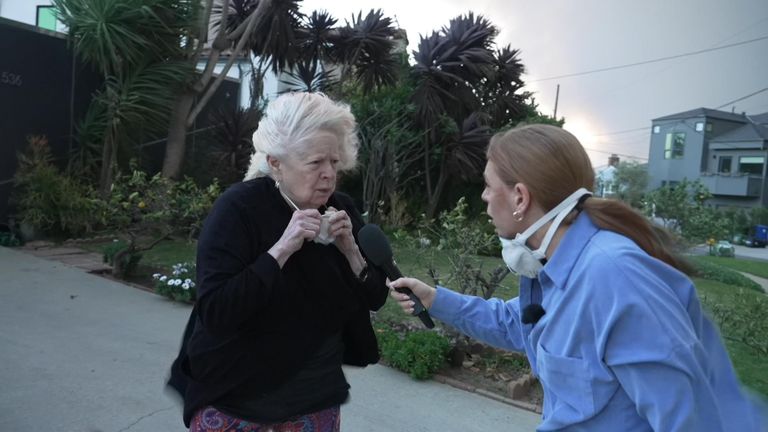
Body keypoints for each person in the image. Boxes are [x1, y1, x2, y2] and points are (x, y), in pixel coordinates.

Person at [389, 124, 767, 431]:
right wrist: (435, 299)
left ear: (520, 198)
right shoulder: (551, 267)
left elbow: (690, 420)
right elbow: (519, 324)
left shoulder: (614, 276)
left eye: (489, 186)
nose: (485, 197)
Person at [167, 92, 388, 431]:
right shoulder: (238, 210)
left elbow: (375, 296)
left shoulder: (340, 209)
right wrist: (282, 248)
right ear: (275, 163)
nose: (329, 174)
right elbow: (216, 311)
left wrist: (351, 252)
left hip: (315, 401)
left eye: (334, 161)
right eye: (315, 163)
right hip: (237, 400)